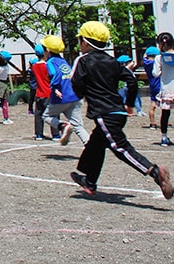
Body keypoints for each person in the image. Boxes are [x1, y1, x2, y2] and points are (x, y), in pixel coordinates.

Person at [69, 21, 173, 200]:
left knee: (120, 148)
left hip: (104, 113)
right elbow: (132, 81)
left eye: (80, 40)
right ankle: (89, 181)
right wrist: (129, 103)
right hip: (118, 112)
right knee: (96, 144)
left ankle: (155, 172)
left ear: (86, 42)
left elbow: (76, 83)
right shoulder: (113, 61)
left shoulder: (83, 60)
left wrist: (83, 94)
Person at [40, 35, 88, 145]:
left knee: (46, 116)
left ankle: (63, 126)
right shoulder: (63, 61)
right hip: (74, 96)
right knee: (78, 125)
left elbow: (54, 74)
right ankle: (89, 144)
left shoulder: (50, 62)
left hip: (61, 97)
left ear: (47, 50)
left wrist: (55, 87)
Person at [31, 44, 59, 141]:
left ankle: (39, 134)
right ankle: (55, 134)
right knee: (53, 113)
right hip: (49, 92)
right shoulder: (48, 65)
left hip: (39, 93)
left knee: (38, 114)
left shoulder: (34, 66)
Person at [152, 32, 174, 146]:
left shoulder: (159, 57)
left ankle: (164, 137)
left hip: (167, 89)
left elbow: (155, 74)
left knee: (165, 114)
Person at [144, 46, 162, 130]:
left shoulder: (146, 63)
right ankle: (164, 121)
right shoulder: (157, 62)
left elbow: (144, 58)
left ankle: (152, 123)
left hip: (152, 85)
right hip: (159, 85)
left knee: (153, 105)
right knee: (164, 106)